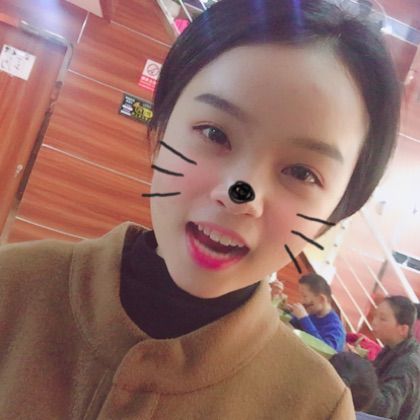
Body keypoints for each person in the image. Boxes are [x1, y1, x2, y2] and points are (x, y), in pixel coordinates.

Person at [0, 0, 401, 418]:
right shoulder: (11, 286)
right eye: (214, 133)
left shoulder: (315, 406)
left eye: (301, 172)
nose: (240, 194)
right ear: (161, 125)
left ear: (336, 214)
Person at [367, 296, 420, 420]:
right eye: (375, 316)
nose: (374, 322)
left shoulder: (409, 364)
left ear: (403, 329)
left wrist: (357, 379)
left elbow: (384, 408)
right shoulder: (391, 347)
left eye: (382, 319)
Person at [287, 274, 346, 351]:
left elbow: (326, 350)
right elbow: (296, 324)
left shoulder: (335, 328)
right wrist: (288, 311)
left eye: (304, 296)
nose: (302, 301)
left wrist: (304, 319)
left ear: (321, 299)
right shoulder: (313, 313)